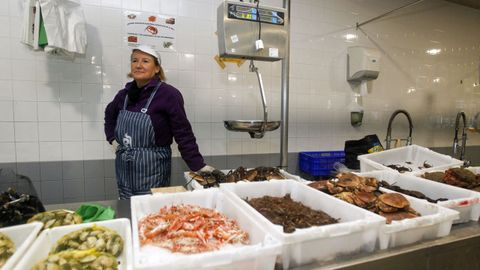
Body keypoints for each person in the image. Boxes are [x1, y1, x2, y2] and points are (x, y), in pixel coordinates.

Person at [104, 45, 214, 199]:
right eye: (134, 60)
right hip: (124, 167)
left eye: (145, 61)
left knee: (152, 209)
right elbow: (109, 115)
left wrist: (197, 165)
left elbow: (183, 133)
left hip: (153, 167)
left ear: (156, 69)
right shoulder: (123, 95)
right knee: (126, 204)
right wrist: (112, 139)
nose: (138, 65)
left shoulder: (169, 95)